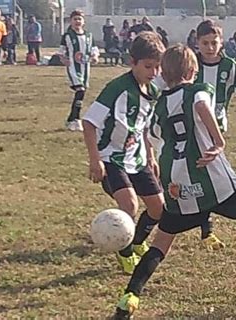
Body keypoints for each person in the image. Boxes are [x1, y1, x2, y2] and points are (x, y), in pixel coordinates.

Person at [114, 44, 236, 319]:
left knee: (162, 242)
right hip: (209, 172)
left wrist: (150, 156)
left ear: (164, 73)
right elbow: (202, 107)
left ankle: (130, 296)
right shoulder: (197, 91)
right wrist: (218, 141)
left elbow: (149, 133)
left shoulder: (158, 101)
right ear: (193, 71)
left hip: (175, 178)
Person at [82, 31, 166, 275]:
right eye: (148, 66)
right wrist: (95, 160)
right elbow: (89, 123)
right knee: (129, 204)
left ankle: (137, 240)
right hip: (111, 159)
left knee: (159, 208)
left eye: (157, 67)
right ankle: (125, 251)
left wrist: (150, 156)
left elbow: (144, 127)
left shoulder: (152, 92)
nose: (154, 72)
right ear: (133, 62)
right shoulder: (116, 89)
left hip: (137, 160)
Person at [195, 19, 236, 250]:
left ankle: (205, 227)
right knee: (204, 176)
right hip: (192, 128)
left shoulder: (229, 66)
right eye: (205, 43)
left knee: (206, 175)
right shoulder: (191, 64)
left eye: (214, 42)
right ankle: (206, 229)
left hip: (216, 129)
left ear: (221, 42)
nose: (210, 47)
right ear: (198, 43)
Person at [58, 10, 99, 132]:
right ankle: (75, 119)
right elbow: (62, 50)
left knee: (82, 93)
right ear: (71, 21)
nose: (77, 21)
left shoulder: (88, 36)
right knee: (80, 91)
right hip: (73, 68)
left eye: (79, 19)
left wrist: (95, 56)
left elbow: (93, 49)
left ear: (83, 21)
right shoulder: (67, 36)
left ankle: (72, 118)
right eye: (75, 19)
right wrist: (63, 59)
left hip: (85, 68)